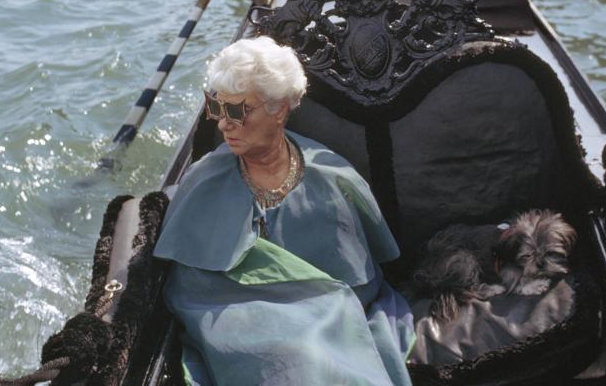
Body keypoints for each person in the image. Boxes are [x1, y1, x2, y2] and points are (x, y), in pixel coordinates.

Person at [153, 36, 415, 385]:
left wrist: (307, 307)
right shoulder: (201, 180)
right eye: (216, 107)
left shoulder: (333, 180)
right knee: (292, 356)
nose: (222, 124)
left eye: (237, 111)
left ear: (279, 109)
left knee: (308, 353)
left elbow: (358, 286)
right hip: (229, 316)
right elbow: (190, 289)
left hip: (322, 321)